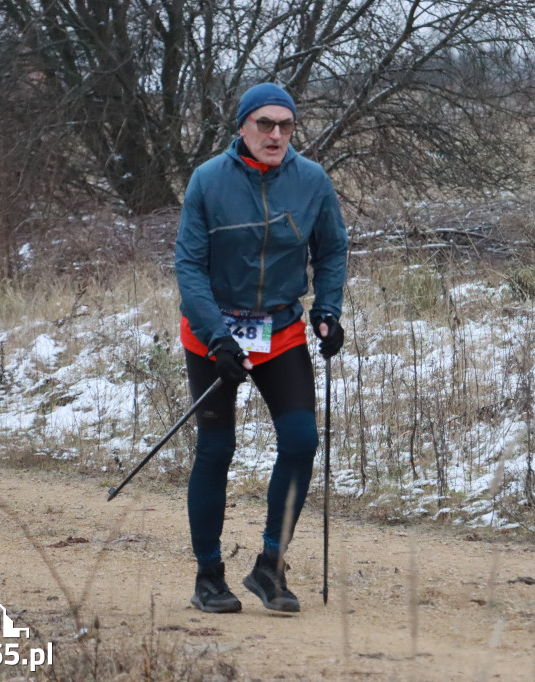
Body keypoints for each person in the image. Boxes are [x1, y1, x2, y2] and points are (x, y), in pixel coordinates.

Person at [174, 82, 349, 613]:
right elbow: (189, 266)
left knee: (300, 441)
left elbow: (333, 249)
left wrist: (328, 311)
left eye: (286, 125)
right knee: (216, 450)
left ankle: (270, 567)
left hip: (278, 328)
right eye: (265, 124)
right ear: (243, 127)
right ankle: (209, 576)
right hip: (215, 334)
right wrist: (216, 336)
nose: (276, 135)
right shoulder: (208, 180)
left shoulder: (312, 181)